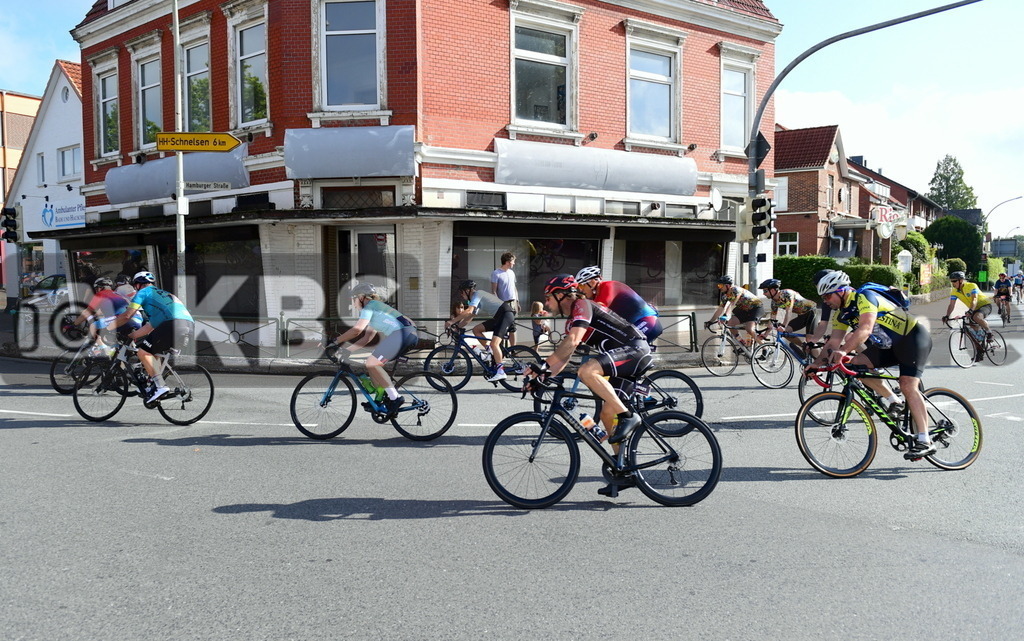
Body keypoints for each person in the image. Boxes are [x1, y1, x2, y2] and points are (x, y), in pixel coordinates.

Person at [527, 274, 653, 496]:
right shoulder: (572, 319)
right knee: (606, 414)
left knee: (586, 371)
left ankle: (628, 416)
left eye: (548, 297)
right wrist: (541, 377)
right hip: (626, 356)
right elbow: (565, 355)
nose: (546, 303)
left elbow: (573, 341)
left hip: (635, 349)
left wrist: (543, 366)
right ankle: (622, 471)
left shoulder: (582, 305)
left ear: (561, 294)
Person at [810, 270, 935, 459]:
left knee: (908, 384)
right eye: (823, 297)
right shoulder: (841, 315)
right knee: (854, 367)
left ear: (841, 291)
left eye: (827, 295)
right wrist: (816, 365)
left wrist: (844, 350)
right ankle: (895, 401)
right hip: (888, 346)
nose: (826, 301)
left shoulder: (864, 297)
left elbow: (865, 329)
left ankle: (925, 440)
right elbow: (833, 342)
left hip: (912, 338)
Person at [331, 283, 418, 415]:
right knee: (371, 363)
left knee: (372, 363)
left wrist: (336, 341)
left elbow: (357, 330)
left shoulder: (370, 307)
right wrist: (348, 350)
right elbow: (367, 338)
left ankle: (395, 398)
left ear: (361, 297)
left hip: (402, 334)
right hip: (406, 334)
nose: (353, 303)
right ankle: (379, 399)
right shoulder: (376, 309)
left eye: (353, 299)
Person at [109, 271, 195, 403]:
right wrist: (132, 335)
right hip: (188, 324)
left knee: (143, 352)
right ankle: (153, 386)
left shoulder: (143, 293)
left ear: (138, 285)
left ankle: (160, 386)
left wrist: (107, 328)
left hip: (172, 324)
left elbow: (127, 315)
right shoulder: (164, 295)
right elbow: (150, 326)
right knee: (154, 352)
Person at [574, 265, 662, 347]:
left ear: (593, 282)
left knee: (622, 349)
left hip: (647, 322)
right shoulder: (597, 295)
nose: (581, 290)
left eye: (582, 285)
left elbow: (598, 310)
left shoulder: (608, 286)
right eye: (579, 287)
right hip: (636, 324)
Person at [447, 279, 515, 382]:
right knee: (476, 329)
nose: (461, 295)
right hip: (498, 317)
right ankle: (489, 352)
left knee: (494, 344)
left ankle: (501, 372)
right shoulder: (475, 299)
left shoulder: (478, 294)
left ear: (467, 290)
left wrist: (452, 322)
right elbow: (471, 315)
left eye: (462, 292)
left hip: (505, 314)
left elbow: (469, 310)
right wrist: (458, 327)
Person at [74, 277, 142, 351]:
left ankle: (104, 350)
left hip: (122, 319)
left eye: (96, 289)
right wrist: (95, 315)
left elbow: (87, 312)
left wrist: (74, 324)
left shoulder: (100, 294)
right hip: (137, 319)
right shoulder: (117, 294)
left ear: (100, 288)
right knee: (119, 343)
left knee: (93, 326)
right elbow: (100, 311)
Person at [759, 278, 816, 351]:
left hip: (811, 312)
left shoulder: (787, 294)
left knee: (809, 340)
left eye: (765, 291)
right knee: (785, 333)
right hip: (802, 316)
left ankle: (820, 360)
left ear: (772, 290)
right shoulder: (774, 302)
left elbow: (789, 311)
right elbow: (772, 319)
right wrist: (765, 334)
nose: (764, 293)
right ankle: (803, 346)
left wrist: (783, 326)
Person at [708, 275, 764, 347]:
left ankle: (764, 347)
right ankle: (742, 343)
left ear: (727, 286)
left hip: (756, 307)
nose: (719, 287)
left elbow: (732, 304)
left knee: (749, 328)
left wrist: (725, 315)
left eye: (720, 285)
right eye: (718, 285)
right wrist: (711, 321)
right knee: (730, 324)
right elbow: (720, 309)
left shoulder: (736, 290)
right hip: (744, 309)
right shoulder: (725, 296)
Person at [943, 271, 992, 345]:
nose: (953, 283)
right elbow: (951, 305)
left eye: (954, 281)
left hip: (985, 305)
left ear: (961, 280)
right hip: (973, 308)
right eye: (951, 281)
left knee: (977, 317)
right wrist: (947, 316)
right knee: (973, 331)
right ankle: (979, 351)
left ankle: (989, 333)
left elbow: (974, 299)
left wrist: (971, 311)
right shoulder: (954, 291)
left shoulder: (971, 285)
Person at [491, 252, 520, 346]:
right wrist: (498, 304)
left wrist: (517, 302)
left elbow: (514, 288)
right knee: (501, 327)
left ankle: (513, 350)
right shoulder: (496, 273)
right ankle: (500, 350)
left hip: (513, 302)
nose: (514, 263)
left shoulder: (512, 273)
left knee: (513, 327)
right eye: (513, 261)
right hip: (503, 303)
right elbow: (494, 291)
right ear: (507, 262)